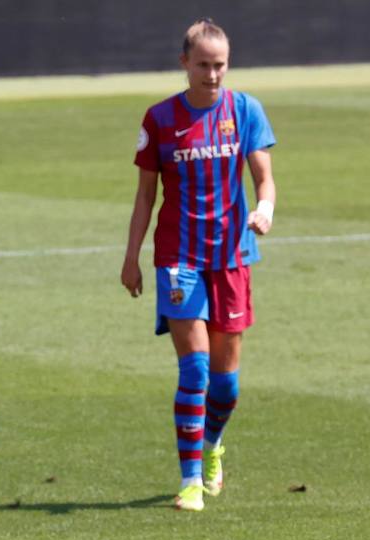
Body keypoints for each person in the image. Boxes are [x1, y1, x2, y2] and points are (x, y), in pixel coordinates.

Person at [120, 18, 277, 512]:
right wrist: (132, 258)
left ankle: (212, 448)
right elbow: (146, 196)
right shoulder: (161, 118)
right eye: (204, 64)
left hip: (232, 255)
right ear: (184, 62)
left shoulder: (245, 110)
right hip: (178, 257)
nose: (212, 74)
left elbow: (264, 179)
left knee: (226, 385)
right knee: (195, 371)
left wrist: (265, 208)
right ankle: (189, 481)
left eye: (220, 65)